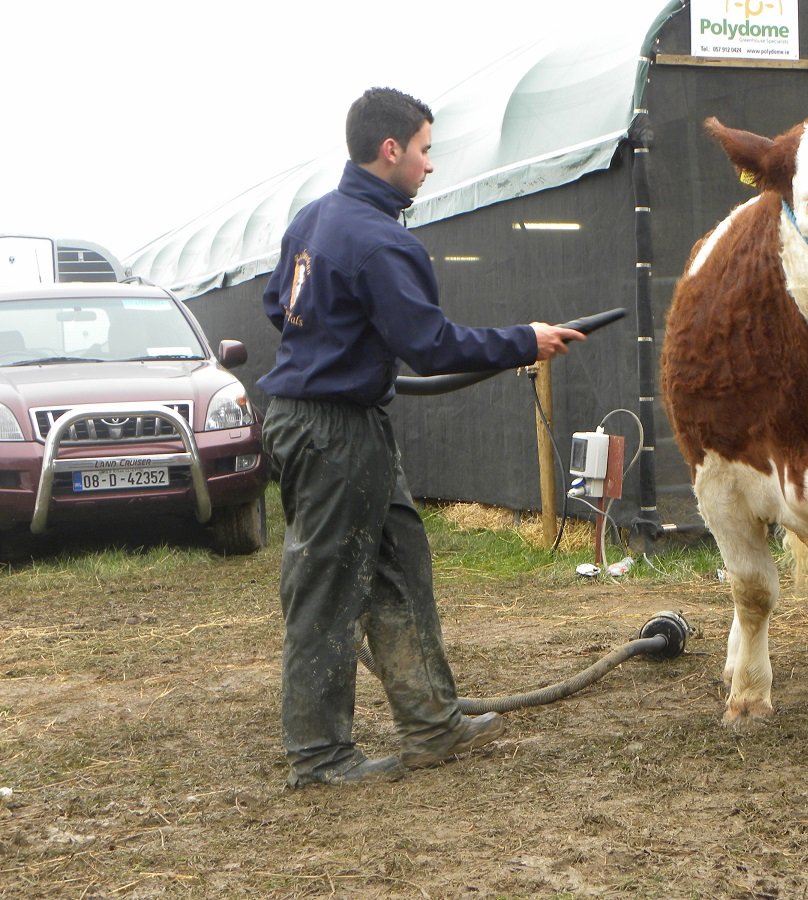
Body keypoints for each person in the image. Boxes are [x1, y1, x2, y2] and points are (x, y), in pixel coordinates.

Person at [258, 87, 584, 788]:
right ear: (390, 150)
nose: (430, 165)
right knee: (327, 587)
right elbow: (430, 346)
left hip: (329, 419)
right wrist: (523, 339)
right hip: (332, 429)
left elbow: (275, 305)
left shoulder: (313, 219)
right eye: (425, 149)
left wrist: (337, 349)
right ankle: (318, 758)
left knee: (400, 561)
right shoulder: (381, 240)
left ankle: (432, 723)